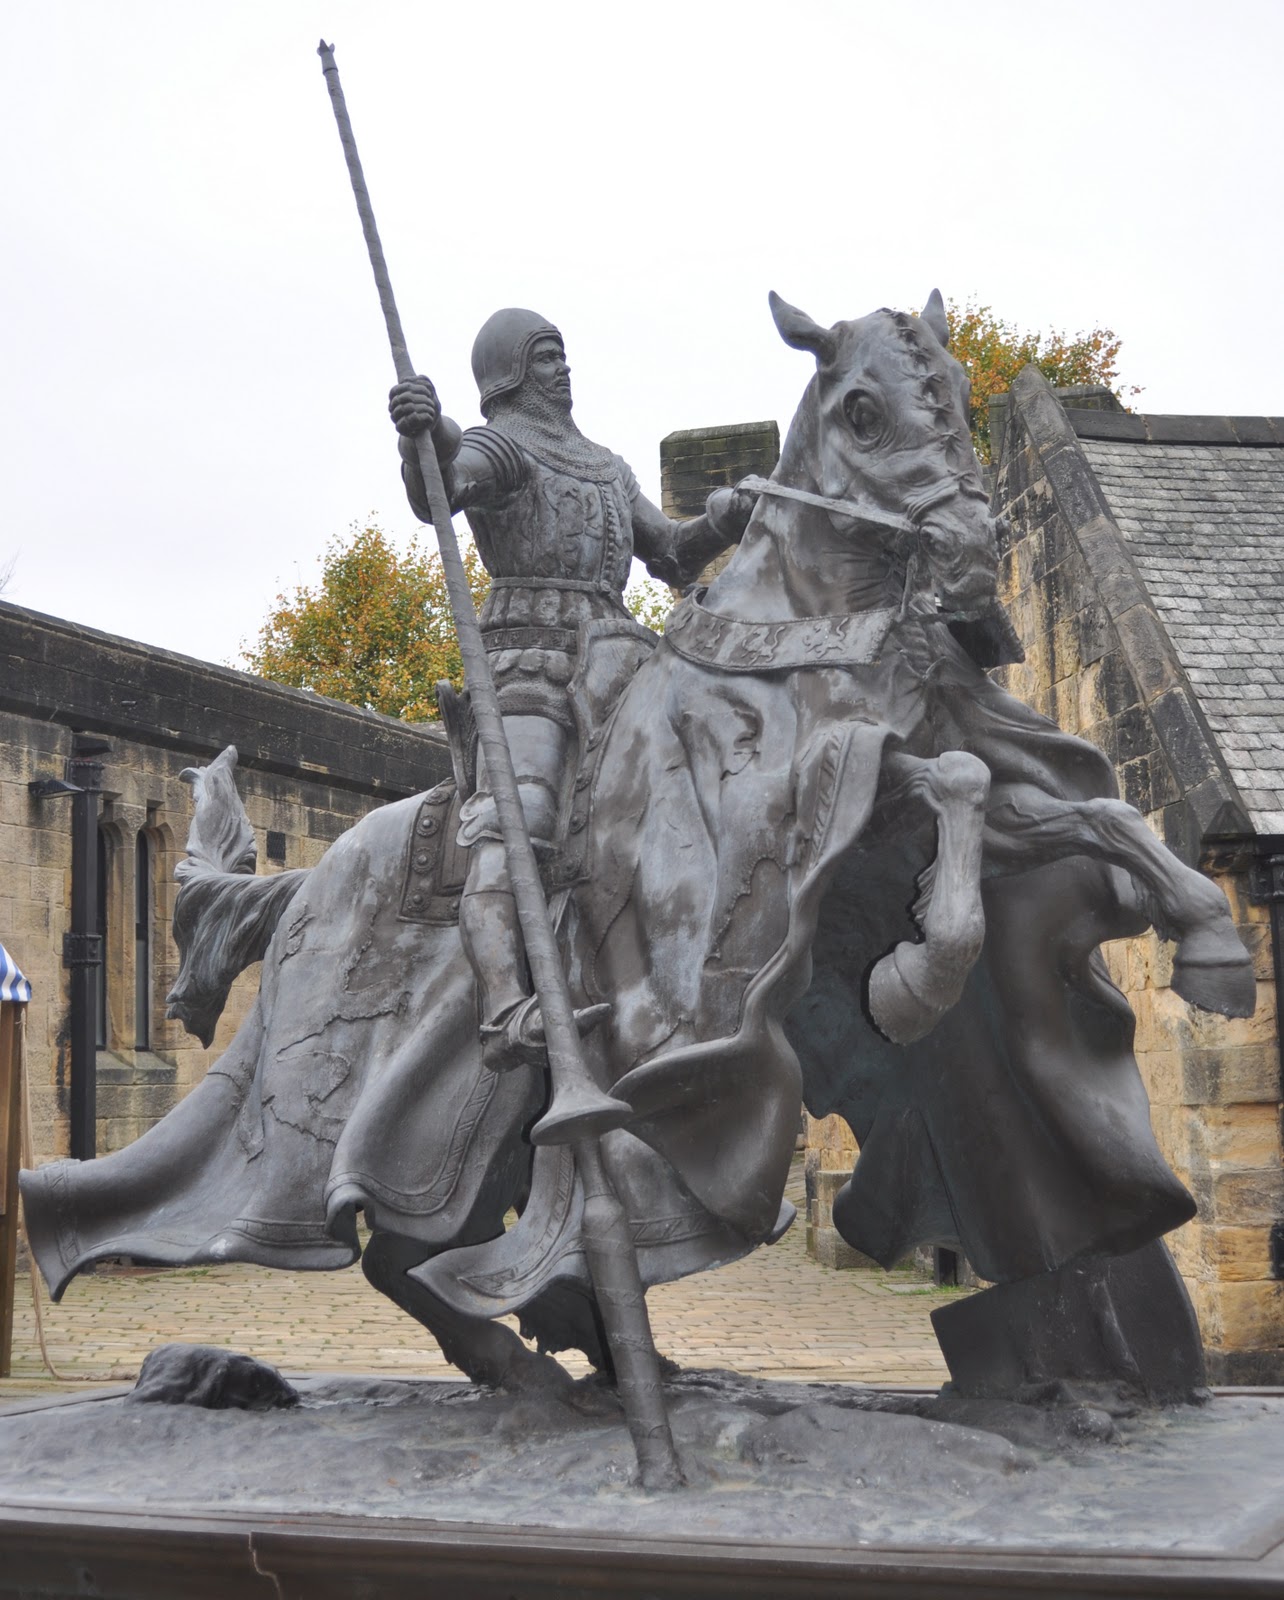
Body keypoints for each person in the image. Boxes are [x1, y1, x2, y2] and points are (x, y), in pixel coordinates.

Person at [389, 308, 756, 1067]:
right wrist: (419, 438)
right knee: (517, 818)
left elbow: (672, 553)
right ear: (512, 375)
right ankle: (503, 1007)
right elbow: (442, 490)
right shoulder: (504, 447)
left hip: (621, 658)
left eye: (562, 355)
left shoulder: (608, 467)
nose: (564, 369)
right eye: (546, 358)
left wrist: (722, 522)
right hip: (531, 662)